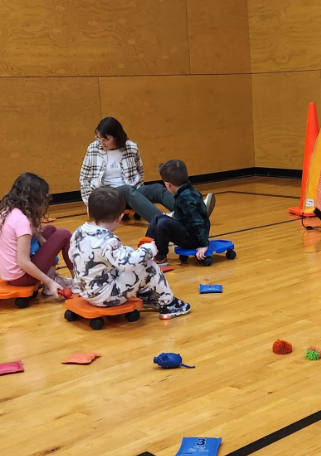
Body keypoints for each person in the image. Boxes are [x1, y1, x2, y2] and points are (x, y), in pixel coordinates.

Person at [69, 186, 191, 318]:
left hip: (86, 291)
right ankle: (169, 304)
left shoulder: (78, 232)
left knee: (127, 252)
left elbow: (72, 256)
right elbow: (129, 263)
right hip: (106, 298)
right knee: (147, 265)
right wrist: (150, 249)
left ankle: (144, 293)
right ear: (120, 217)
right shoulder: (109, 241)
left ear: (88, 211)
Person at [0, 172, 74, 298]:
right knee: (64, 234)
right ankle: (80, 280)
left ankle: (52, 280)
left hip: (10, 275)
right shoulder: (21, 221)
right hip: (22, 277)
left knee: (49, 230)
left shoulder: (7, 211)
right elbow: (23, 262)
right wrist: (49, 282)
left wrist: (39, 235)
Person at [79, 117, 176, 223]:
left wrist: (139, 201)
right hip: (108, 197)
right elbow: (84, 179)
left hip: (131, 192)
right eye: (99, 138)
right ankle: (163, 221)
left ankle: (185, 211)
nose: (102, 143)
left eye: (106, 139)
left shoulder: (131, 148)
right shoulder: (93, 149)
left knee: (157, 189)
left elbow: (140, 172)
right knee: (126, 189)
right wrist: (90, 203)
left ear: (116, 137)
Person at [140, 160, 214, 266]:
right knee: (158, 218)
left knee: (163, 224)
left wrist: (203, 244)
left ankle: (160, 257)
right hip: (188, 231)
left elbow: (198, 222)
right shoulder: (188, 191)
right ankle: (146, 249)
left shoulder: (185, 198)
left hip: (194, 239)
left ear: (168, 185)